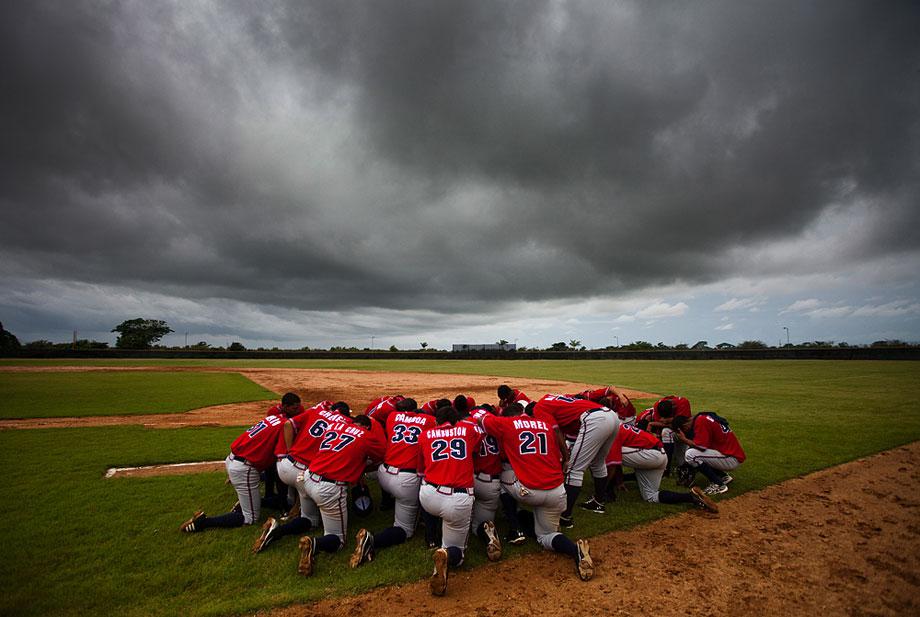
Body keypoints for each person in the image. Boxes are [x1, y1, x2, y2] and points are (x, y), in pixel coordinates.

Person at [479, 402, 594, 581]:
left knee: (499, 477)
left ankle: (514, 528)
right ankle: (575, 551)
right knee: (546, 536)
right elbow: (559, 454)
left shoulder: (508, 423)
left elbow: (483, 419)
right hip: (557, 491)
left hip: (529, 490)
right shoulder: (546, 426)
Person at [180, 403, 299, 533]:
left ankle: (245, 504)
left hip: (232, 459)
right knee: (250, 518)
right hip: (244, 468)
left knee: (254, 497)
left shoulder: (274, 418)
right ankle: (204, 522)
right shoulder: (284, 426)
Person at [251, 400, 351, 552]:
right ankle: (288, 524)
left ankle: (280, 524)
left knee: (304, 506)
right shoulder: (346, 424)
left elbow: (288, 424)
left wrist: (291, 450)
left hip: (285, 464)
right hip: (303, 473)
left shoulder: (315, 411)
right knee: (311, 517)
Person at [297, 412, 387, 576]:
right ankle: (314, 544)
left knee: (310, 520)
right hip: (329, 488)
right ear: (367, 427)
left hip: (307, 478)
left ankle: (280, 528)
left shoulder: (335, 427)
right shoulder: (365, 435)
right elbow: (381, 456)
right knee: (338, 540)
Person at [349, 398, 433, 568]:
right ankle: (372, 541)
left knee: (404, 494)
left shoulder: (392, 417)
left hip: (384, 473)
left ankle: (388, 504)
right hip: (405, 480)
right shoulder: (429, 421)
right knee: (405, 530)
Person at [417, 405, 484, 596]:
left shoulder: (425, 435)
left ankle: (430, 537)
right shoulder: (468, 429)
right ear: (456, 421)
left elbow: (420, 470)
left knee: (429, 491)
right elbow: (477, 448)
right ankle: (446, 553)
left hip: (428, 497)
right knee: (458, 554)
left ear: (436, 421)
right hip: (457, 499)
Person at [532, 394, 619, 526]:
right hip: (611, 415)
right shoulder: (550, 398)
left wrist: (566, 457)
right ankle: (598, 503)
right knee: (598, 463)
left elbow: (556, 432)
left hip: (595, 419)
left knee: (574, 469)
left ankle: (565, 517)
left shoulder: (539, 408)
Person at [605, 423, 718, 513]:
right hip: (656, 456)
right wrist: (619, 482)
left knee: (606, 451)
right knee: (650, 497)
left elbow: (614, 460)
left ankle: (606, 488)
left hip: (651, 455)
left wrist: (604, 487)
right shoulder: (616, 425)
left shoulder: (611, 431)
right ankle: (691, 497)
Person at [672, 413, 745, 495]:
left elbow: (701, 447)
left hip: (730, 458)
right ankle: (723, 477)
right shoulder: (702, 417)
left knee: (691, 455)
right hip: (730, 454)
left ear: (684, 426)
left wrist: (684, 439)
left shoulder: (700, 422)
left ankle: (719, 484)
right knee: (696, 452)